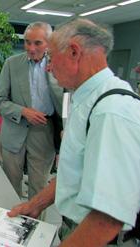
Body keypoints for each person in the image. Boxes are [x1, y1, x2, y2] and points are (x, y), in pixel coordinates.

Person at [8, 19, 140, 247]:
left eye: (50, 57)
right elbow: (77, 172)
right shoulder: (86, 99)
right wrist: (35, 204)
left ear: (74, 52)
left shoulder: (110, 112)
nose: (48, 67)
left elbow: (106, 220)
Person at [0, 22, 63, 199]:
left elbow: (68, 100)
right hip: (14, 130)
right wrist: (23, 111)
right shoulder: (12, 64)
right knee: (9, 185)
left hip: (44, 132)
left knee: (39, 188)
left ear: (49, 43)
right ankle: (8, 223)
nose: (31, 48)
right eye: (27, 42)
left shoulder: (59, 66)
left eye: (38, 43)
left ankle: (35, 226)